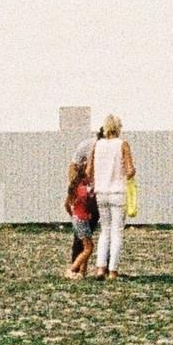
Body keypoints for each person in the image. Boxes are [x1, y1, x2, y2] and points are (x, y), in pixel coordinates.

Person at [88, 114, 129, 278]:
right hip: (118, 191)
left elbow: (88, 171)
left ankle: (100, 267)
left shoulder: (97, 145)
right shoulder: (122, 144)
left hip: (101, 192)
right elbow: (130, 169)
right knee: (117, 231)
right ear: (118, 128)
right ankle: (113, 270)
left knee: (104, 230)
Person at [63, 142, 99, 280]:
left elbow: (67, 204)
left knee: (86, 246)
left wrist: (73, 215)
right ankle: (73, 268)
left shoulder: (75, 185)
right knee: (88, 248)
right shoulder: (84, 187)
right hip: (83, 220)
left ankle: (82, 271)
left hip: (79, 218)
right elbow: (89, 171)